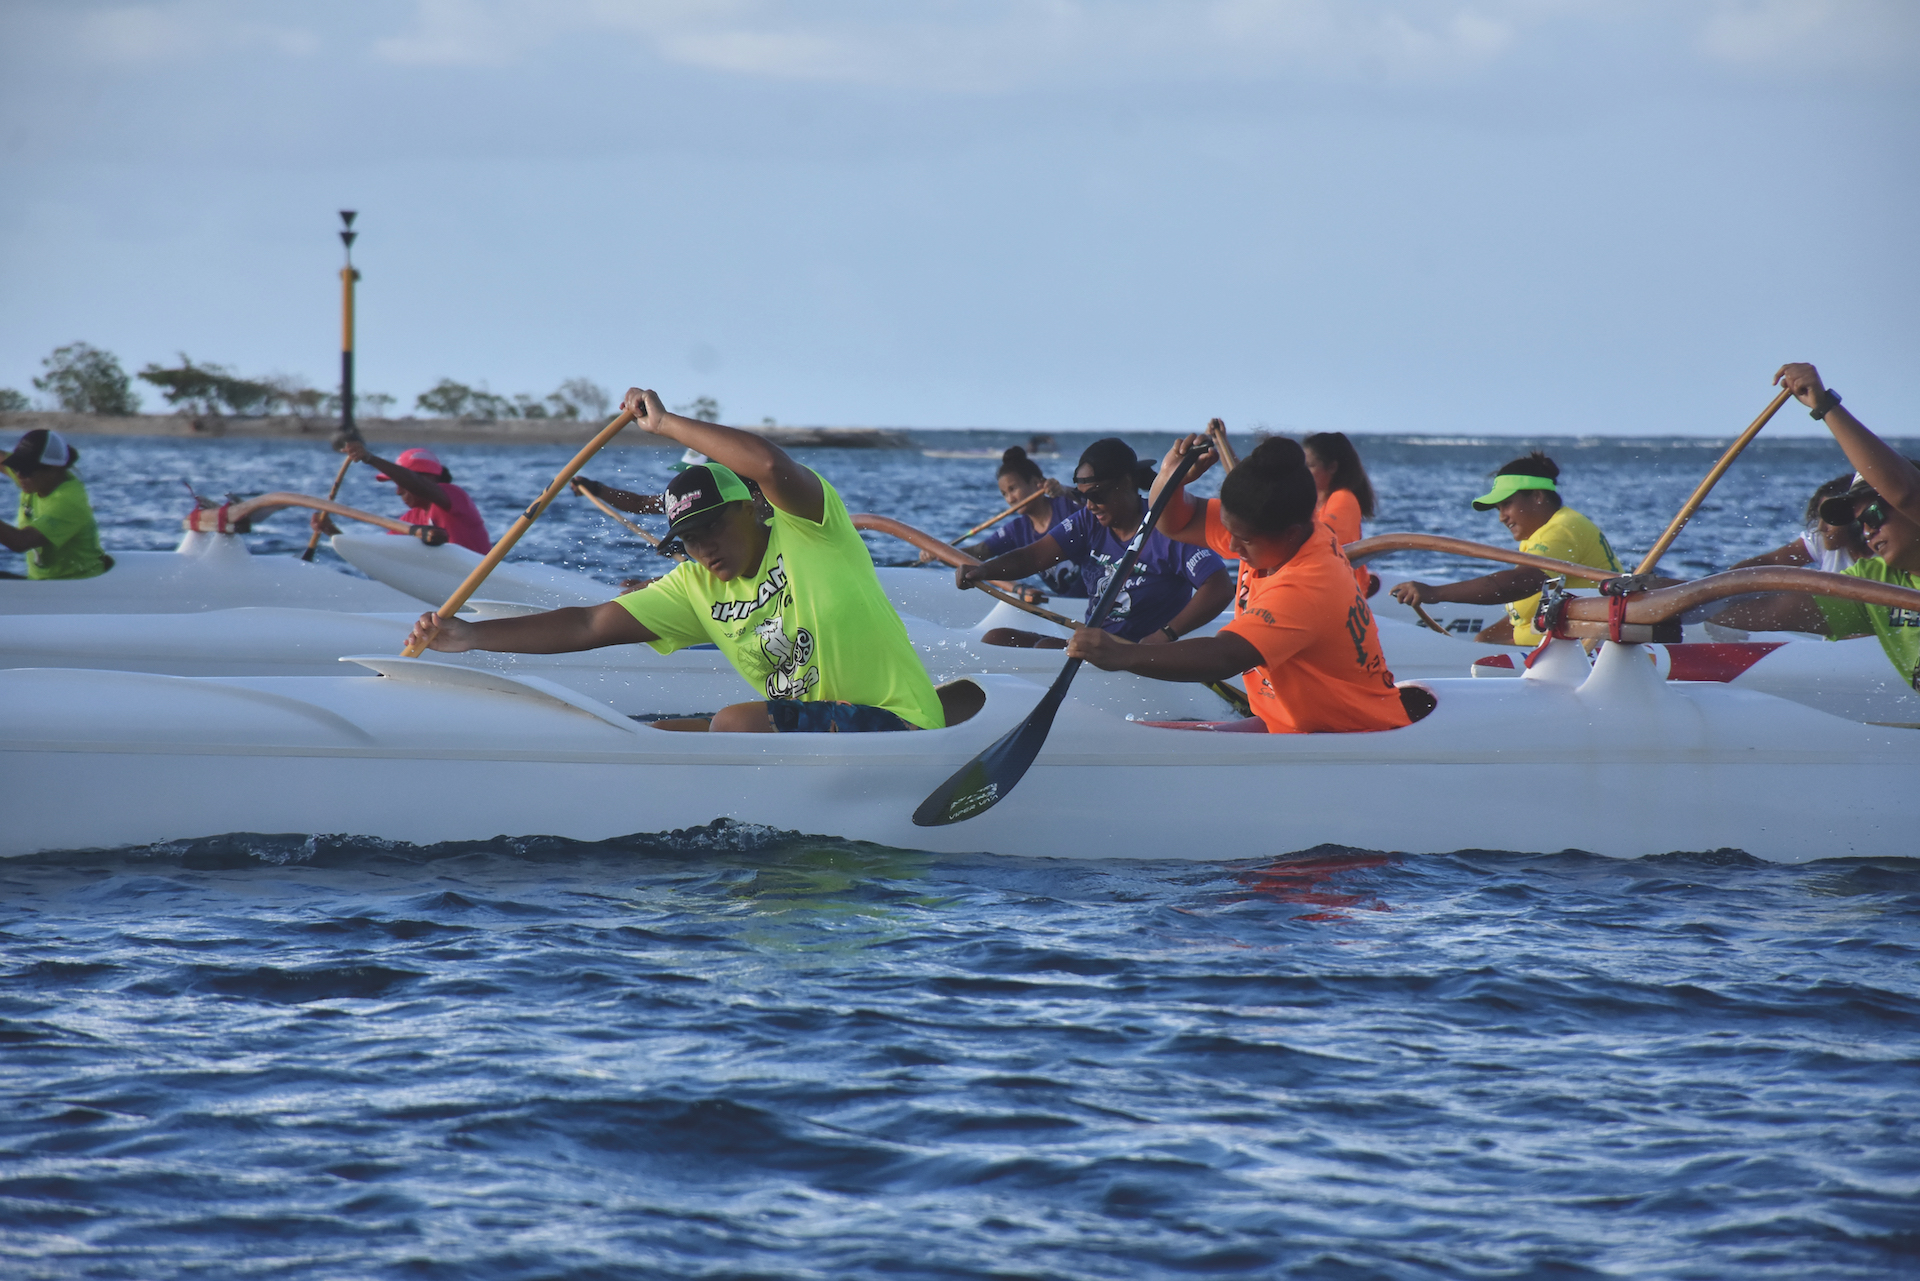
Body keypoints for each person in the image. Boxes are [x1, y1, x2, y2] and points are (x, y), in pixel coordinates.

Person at [404, 388, 946, 733]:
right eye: (689, 538)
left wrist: (664, 424)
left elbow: (770, 466)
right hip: (815, 738)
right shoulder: (694, 585)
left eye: (713, 527)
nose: (704, 547)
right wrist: (470, 636)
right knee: (645, 737)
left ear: (751, 509)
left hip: (899, 725)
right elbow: (590, 622)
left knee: (734, 723)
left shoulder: (810, 531)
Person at [1065, 435, 1413, 734]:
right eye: (1229, 531)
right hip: (1291, 726)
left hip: (1353, 737)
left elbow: (1226, 656)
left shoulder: (1311, 583)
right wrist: (1172, 479)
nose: (1231, 548)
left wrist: (1125, 654)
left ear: (1291, 533)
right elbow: (1171, 523)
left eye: (1243, 541)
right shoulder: (1265, 527)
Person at [1710, 363, 1920, 689]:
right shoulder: (1876, 583)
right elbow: (1771, 611)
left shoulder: (1906, 494)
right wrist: (1670, 606)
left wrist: (1825, 406)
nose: (1868, 532)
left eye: (1875, 516)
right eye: (1860, 525)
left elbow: (1904, 490)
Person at [955, 437, 1232, 649]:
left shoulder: (1167, 527)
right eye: (1083, 496)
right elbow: (1032, 558)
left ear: (1126, 482)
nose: (1090, 506)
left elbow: (1219, 587)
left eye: (1097, 495)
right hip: (1098, 646)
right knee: (997, 638)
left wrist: (1165, 635)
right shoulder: (1087, 522)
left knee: (1042, 647)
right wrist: (984, 571)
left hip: (1142, 653)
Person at [1389, 452, 1621, 646]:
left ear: (1538, 496)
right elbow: (1531, 603)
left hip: (1587, 652)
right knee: (1484, 642)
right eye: (1498, 508)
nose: (1501, 517)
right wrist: (1485, 641)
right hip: (1564, 647)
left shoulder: (1560, 530)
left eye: (1507, 504)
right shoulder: (1543, 533)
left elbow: (1522, 583)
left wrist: (1436, 593)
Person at [310, 441, 492, 553]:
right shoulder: (410, 519)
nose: (398, 491)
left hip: (484, 581)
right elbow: (379, 557)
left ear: (428, 478)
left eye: (400, 483)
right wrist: (332, 531)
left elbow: (417, 485)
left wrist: (370, 459)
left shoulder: (455, 496)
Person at [955, 445, 1084, 598]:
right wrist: (938, 552)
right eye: (1004, 494)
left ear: (1037, 483)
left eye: (1013, 489)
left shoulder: (1067, 505)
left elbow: (1096, 501)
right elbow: (979, 553)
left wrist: (1064, 490)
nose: (1010, 499)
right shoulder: (1016, 529)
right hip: (1068, 603)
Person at [0, 429, 108, 581]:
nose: (19, 475)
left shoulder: (69, 502)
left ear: (54, 469)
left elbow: (20, 542)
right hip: (41, 586)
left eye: (26, 469)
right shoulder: (36, 480)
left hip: (76, 590)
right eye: (17, 467)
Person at [1730, 473, 1868, 574]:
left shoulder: (1882, 553)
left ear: (1855, 517)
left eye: (1830, 518)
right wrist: (1718, 585)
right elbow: (1770, 563)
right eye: (1819, 518)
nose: (1821, 528)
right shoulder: (1820, 540)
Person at [1302, 430, 1378, 596]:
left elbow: (1322, 542)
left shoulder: (1344, 499)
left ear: (1332, 467)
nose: (1302, 471)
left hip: (1347, 595)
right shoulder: (1311, 500)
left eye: (1310, 466)